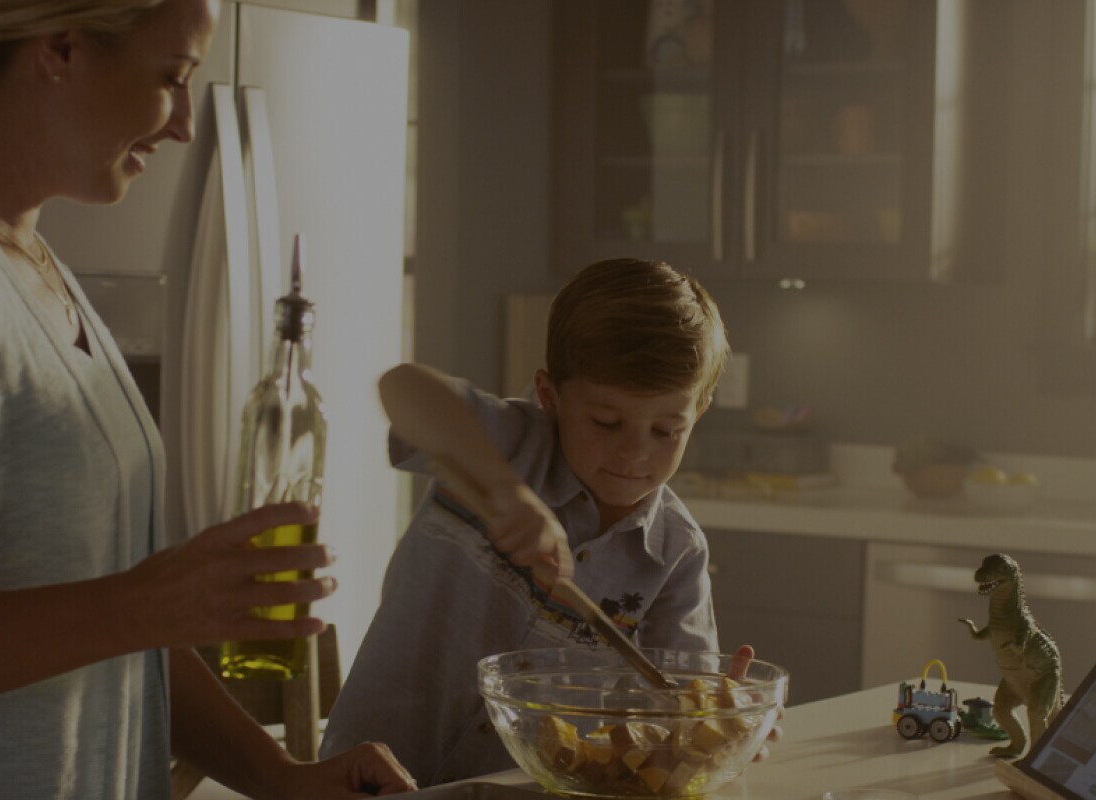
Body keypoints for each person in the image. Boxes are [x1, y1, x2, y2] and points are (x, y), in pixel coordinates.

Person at [0, 1, 418, 796]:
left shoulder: (24, 259)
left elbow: (116, 628)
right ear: (59, 49)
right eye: (173, 78)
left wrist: (277, 776)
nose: (186, 127)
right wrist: (141, 602)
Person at [322, 258, 780, 786]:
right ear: (550, 396)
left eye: (665, 430)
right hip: (365, 777)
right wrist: (504, 490)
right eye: (606, 422)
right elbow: (402, 387)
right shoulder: (505, 446)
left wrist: (726, 723)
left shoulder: (676, 554)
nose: (634, 453)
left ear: (698, 413)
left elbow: (674, 711)